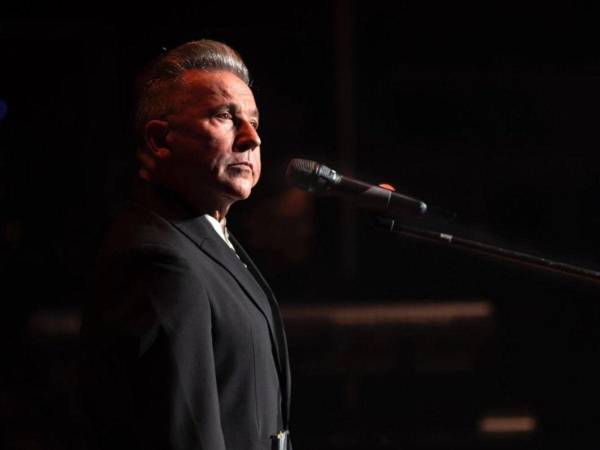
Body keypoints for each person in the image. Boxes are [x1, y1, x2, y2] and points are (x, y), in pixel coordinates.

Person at [80, 39, 291, 450]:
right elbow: (187, 430)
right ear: (160, 139)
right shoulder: (159, 258)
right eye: (224, 117)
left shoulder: (202, 237)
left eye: (254, 121)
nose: (251, 138)